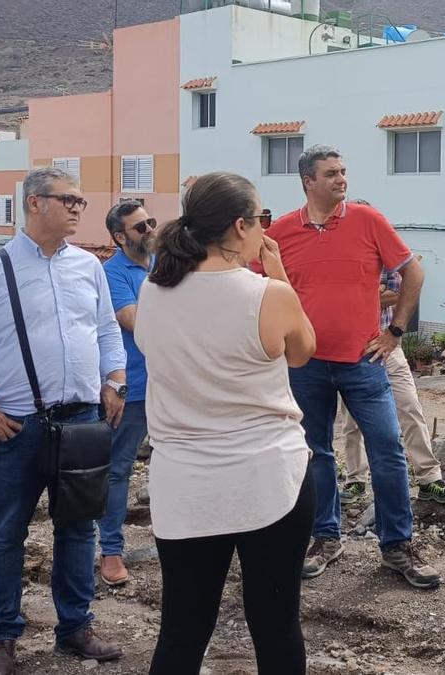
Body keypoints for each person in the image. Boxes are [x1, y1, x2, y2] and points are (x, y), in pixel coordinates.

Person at [0, 167, 127, 675]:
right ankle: (1, 637)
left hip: (83, 420)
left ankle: (75, 627)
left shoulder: (88, 267)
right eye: (68, 200)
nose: (77, 209)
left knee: (79, 528)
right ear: (35, 203)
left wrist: (115, 381)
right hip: (15, 426)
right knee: (5, 532)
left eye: (81, 201)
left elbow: (108, 330)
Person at [136, 172, 316, 673]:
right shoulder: (267, 294)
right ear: (241, 226)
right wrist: (277, 276)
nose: (266, 228)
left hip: (185, 483)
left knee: (182, 631)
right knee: (276, 625)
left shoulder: (153, 291)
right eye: (262, 219)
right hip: (268, 478)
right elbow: (303, 352)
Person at [268, 145, 440, 589]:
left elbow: (413, 273)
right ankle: (326, 537)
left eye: (343, 171)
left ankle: (397, 545)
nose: (341, 179)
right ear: (308, 181)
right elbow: (260, 288)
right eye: (331, 174)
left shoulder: (368, 220)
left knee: (387, 449)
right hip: (305, 364)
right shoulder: (282, 232)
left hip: (364, 362)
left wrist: (395, 333)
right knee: (316, 453)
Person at [339, 266, 445, 506]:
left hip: (387, 346)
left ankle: (429, 479)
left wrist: (361, 294)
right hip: (351, 350)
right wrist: (374, 293)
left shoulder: (384, 254)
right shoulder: (341, 252)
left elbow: (400, 292)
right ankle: (356, 480)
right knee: (351, 421)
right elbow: (338, 300)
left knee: (410, 409)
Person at [96, 201, 156, 586]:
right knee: (118, 471)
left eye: (150, 222)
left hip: (171, 385)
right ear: (120, 237)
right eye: (139, 227)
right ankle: (111, 552)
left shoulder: (162, 266)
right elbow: (133, 322)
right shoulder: (112, 273)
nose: (150, 230)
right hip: (132, 388)